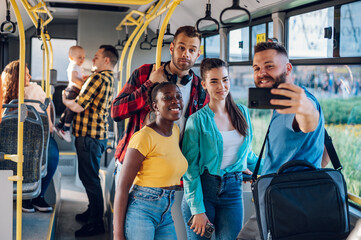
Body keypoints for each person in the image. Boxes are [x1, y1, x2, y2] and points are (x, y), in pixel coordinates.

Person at [236, 42, 325, 240]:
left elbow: (309, 122)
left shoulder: (299, 102)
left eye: (269, 66)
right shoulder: (279, 103)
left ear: (288, 68)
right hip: (272, 196)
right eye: (256, 68)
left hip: (289, 203)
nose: (261, 73)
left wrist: (305, 109)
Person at [111, 25, 209, 183]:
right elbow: (116, 112)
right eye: (181, 47)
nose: (186, 54)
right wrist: (149, 85)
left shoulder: (200, 88)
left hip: (172, 169)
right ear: (172, 48)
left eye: (192, 50)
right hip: (136, 165)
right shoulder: (145, 73)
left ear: (198, 54)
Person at [181, 58, 257, 239]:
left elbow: (248, 155)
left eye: (225, 79)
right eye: (214, 81)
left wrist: (272, 172)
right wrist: (197, 210)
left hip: (233, 190)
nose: (221, 86)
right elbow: (190, 168)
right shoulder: (197, 120)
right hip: (203, 191)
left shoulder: (243, 113)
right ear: (205, 85)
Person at [113, 81, 188, 240]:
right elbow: (123, 186)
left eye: (178, 97)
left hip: (166, 212)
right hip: (142, 209)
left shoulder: (175, 131)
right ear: (155, 106)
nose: (175, 101)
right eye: (167, 98)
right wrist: (118, 234)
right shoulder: (143, 137)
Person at [61, 45, 118, 237]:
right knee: (91, 177)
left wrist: (65, 101)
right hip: (98, 135)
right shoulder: (111, 78)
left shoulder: (97, 78)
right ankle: (92, 211)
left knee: (90, 179)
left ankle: (96, 223)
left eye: (96, 57)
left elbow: (78, 106)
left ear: (107, 60)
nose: (93, 60)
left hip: (88, 136)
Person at [1, 60, 59, 213]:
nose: (30, 77)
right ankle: (25, 196)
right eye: (26, 75)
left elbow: (44, 113)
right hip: (11, 137)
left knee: (52, 155)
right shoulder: (3, 92)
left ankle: (37, 195)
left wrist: (51, 127)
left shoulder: (34, 89)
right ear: (16, 77)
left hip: (35, 136)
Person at [55, 45, 86, 142]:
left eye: (83, 57)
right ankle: (66, 129)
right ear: (72, 58)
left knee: (68, 109)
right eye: (79, 57)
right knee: (72, 109)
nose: (82, 60)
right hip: (73, 90)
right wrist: (83, 83)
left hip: (72, 90)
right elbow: (73, 78)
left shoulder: (77, 66)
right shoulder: (74, 66)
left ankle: (60, 125)